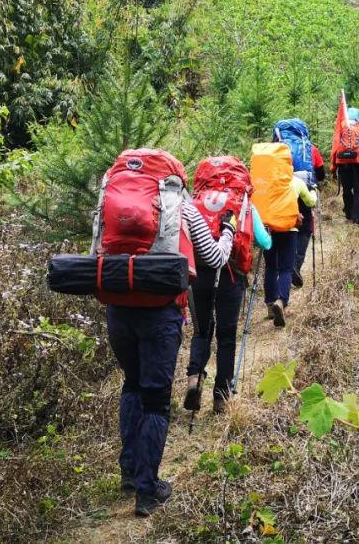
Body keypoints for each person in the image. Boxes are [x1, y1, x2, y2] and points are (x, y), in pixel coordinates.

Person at [109, 194, 236, 517]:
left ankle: (129, 471)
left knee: (132, 385)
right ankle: (148, 490)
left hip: (118, 310)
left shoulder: (116, 201)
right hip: (159, 314)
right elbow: (214, 258)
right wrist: (229, 232)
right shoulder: (182, 206)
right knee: (156, 399)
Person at [185, 203, 271, 415]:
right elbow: (263, 242)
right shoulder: (245, 204)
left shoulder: (197, 201)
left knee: (201, 331)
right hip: (230, 274)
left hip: (199, 272)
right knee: (226, 336)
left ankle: (194, 378)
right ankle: (221, 398)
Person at [264, 173, 316, 327]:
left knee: (270, 267)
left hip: (269, 228)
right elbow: (310, 201)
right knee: (286, 269)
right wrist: (313, 191)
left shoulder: (266, 181)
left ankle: (269, 305)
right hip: (289, 228)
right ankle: (281, 301)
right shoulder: (296, 182)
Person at [293, 143, 326, 288]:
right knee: (305, 229)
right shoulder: (311, 148)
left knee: (284, 225)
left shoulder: (277, 148)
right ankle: (294, 265)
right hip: (304, 189)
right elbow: (321, 174)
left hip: (279, 193)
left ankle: (281, 268)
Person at [336, 107, 359, 225]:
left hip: (343, 166)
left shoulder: (341, 128)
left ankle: (349, 213)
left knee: (347, 190)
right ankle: (357, 218)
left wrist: (334, 167)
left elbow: (335, 148)